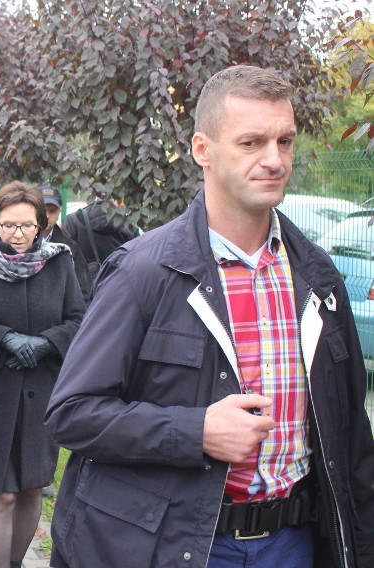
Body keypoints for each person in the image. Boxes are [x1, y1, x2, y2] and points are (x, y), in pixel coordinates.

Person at [45, 65, 374, 568]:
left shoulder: (319, 277)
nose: (274, 160)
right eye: (251, 142)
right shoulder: (143, 273)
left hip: (295, 544)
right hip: (182, 546)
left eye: (284, 141)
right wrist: (195, 431)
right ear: (203, 150)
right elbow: (72, 413)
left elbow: (351, 439)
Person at [0, 181, 84, 568]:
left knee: (31, 491)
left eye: (25, 226)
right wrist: (4, 340)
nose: (17, 235)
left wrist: (45, 343)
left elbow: (78, 319)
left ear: (41, 224)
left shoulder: (60, 262)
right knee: (2, 494)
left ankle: (18, 562)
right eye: (8, 226)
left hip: (41, 394)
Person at [61, 188, 135, 286]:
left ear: (91, 194)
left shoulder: (73, 221)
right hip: (120, 288)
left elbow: (66, 261)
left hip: (85, 291)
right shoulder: (128, 224)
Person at [36, 184, 93, 305]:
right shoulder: (20, 241)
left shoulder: (70, 248)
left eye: (52, 211)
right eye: (43, 210)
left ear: (59, 212)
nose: (47, 215)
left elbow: (83, 292)